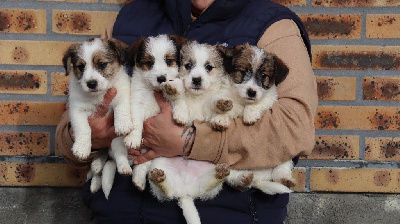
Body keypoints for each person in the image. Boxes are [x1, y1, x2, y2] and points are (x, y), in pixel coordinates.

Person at [56, 0, 318, 223]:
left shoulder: (274, 24)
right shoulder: (130, 17)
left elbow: (297, 128)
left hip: (227, 212)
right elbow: (69, 130)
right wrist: (90, 137)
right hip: (119, 211)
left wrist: (191, 141)